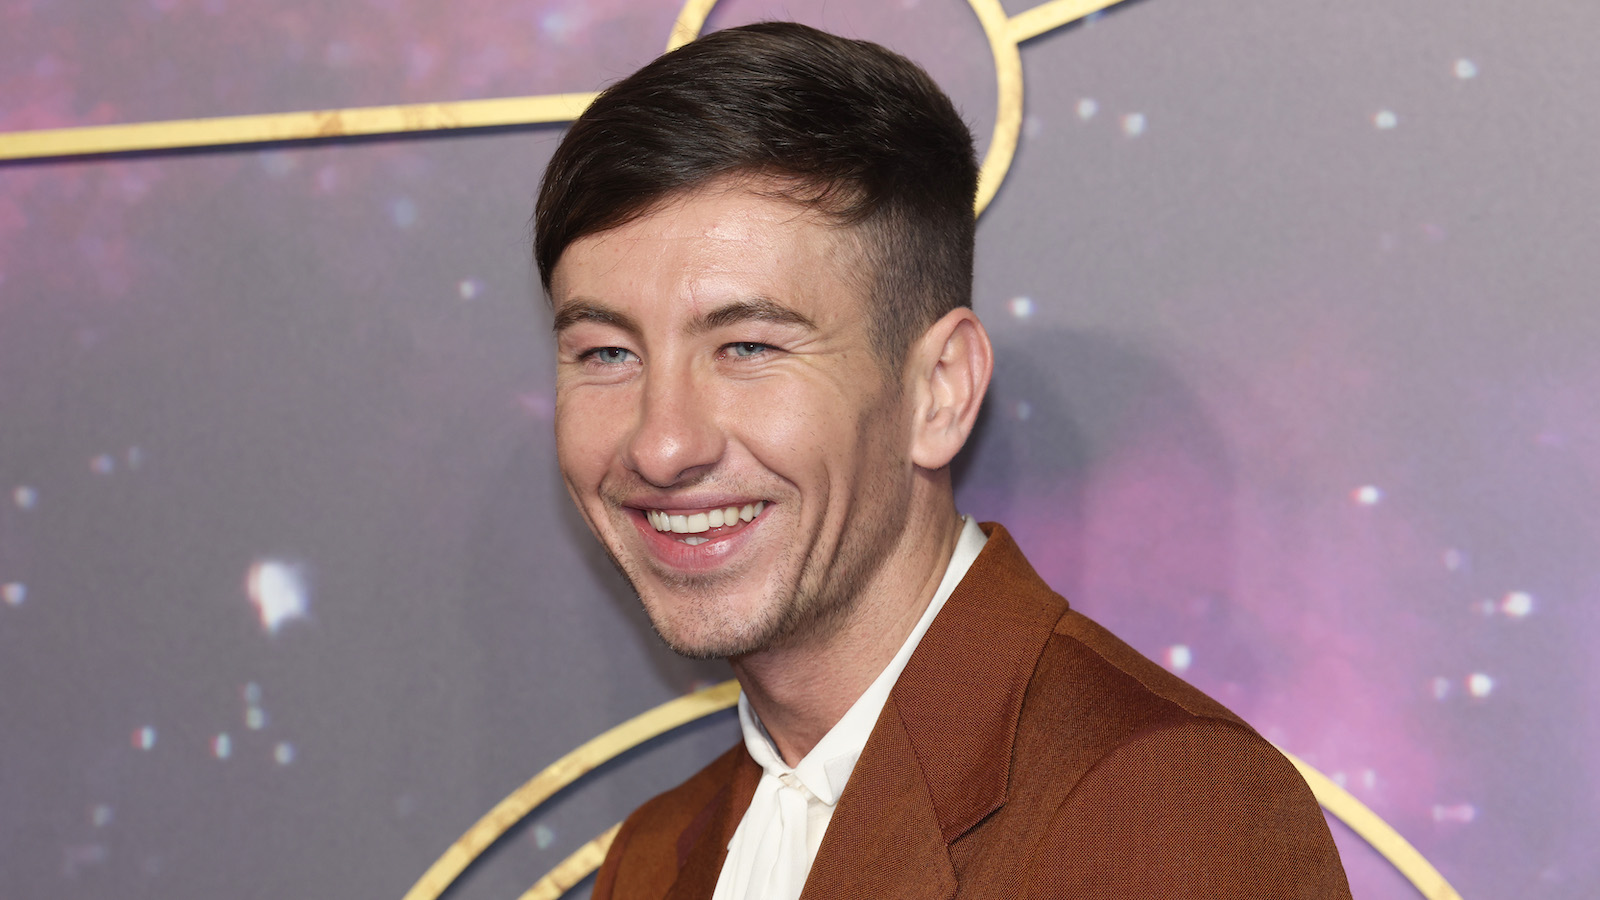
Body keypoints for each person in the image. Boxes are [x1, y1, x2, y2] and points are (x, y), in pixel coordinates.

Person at [535, 21, 1351, 900]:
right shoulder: (655, 859)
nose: (662, 444)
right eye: (607, 355)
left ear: (940, 393)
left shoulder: (1160, 805)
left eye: (748, 347)